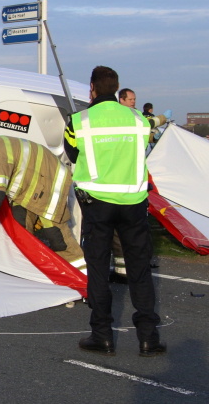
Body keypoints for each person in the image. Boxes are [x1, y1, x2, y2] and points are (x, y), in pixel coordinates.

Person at [64, 66, 166, 357]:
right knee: (140, 271)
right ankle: (149, 339)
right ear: (117, 88)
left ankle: (102, 336)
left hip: (97, 204)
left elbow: (72, 154)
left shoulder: (78, 121)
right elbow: (146, 138)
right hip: (134, 203)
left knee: (98, 270)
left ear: (92, 89)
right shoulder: (137, 119)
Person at [0, 135, 85, 273]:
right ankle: (28, 269)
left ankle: (81, 276)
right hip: (31, 186)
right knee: (21, 229)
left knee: (56, 236)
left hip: (50, 184)